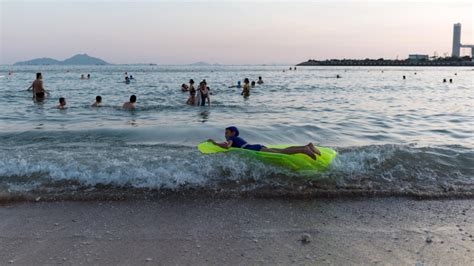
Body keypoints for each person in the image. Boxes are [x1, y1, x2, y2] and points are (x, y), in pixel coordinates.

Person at [207, 126, 321, 160]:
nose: (225, 135)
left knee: (283, 153)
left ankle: (304, 150)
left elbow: (227, 146)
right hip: (257, 146)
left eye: (226, 132)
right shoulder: (238, 138)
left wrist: (215, 143)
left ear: (232, 133)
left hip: (255, 149)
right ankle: (308, 146)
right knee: (282, 150)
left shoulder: (232, 138)